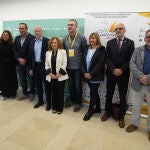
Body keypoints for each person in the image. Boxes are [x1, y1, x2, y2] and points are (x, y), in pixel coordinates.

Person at [101, 23, 135, 128]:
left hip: (123, 74)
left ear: (124, 30)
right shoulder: (110, 43)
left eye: (121, 29)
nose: (118, 30)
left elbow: (130, 59)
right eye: (117, 29)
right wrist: (113, 69)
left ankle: (121, 117)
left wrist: (121, 70)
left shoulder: (130, 43)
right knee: (109, 93)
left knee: (122, 96)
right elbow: (107, 58)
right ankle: (107, 112)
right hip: (111, 73)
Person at [126, 30, 150, 141]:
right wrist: (141, 77)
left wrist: (148, 78)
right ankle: (134, 124)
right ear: (145, 38)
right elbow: (132, 63)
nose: (149, 38)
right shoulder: (138, 50)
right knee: (136, 106)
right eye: (148, 36)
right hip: (138, 83)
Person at [63, 19, 87, 112]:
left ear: (76, 26)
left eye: (72, 25)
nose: (70, 26)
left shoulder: (81, 38)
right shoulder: (65, 38)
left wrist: (83, 67)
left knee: (77, 86)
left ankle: (78, 103)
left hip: (78, 67)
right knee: (70, 85)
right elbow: (63, 53)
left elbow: (85, 53)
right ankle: (72, 100)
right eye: (68, 25)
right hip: (68, 67)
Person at [81, 33, 105, 121]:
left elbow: (100, 64)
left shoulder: (101, 49)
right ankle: (98, 108)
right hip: (86, 75)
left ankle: (90, 111)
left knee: (93, 93)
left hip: (95, 76)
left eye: (94, 38)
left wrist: (91, 74)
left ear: (97, 39)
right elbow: (82, 61)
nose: (91, 40)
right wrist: (85, 72)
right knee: (94, 92)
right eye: (90, 38)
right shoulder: (86, 48)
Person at [29, 26, 51, 110]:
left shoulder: (47, 41)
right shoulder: (31, 42)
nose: (37, 32)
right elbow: (30, 56)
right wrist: (31, 68)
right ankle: (40, 101)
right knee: (38, 85)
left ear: (42, 32)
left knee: (47, 86)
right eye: (35, 31)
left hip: (44, 67)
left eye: (38, 31)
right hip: (35, 66)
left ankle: (49, 103)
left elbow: (50, 55)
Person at [45, 37, 69, 114]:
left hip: (60, 76)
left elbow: (64, 64)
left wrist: (59, 74)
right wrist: (50, 74)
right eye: (52, 43)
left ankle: (60, 108)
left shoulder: (63, 52)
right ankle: (54, 107)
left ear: (58, 43)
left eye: (55, 42)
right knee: (53, 92)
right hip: (51, 76)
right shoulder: (48, 53)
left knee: (60, 92)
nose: (53, 44)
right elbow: (46, 65)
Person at [13, 23, 35, 101]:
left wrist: (25, 59)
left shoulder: (32, 38)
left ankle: (32, 93)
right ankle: (25, 93)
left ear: (26, 29)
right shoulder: (17, 38)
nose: (21, 30)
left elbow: (32, 52)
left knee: (31, 79)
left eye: (22, 28)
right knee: (22, 80)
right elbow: (14, 50)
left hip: (28, 63)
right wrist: (19, 59)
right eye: (19, 29)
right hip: (19, 64)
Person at [0, 30, 18, 99]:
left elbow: (15, 55)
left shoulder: (12, 44)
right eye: (3, 34)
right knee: (3, 79)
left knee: (11, 79)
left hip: (11, 65)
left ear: (9, 36)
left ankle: (12, 93)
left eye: (6, 35)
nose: (5, 36)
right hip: (2, 65)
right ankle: (5, 93)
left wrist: (14, 64)